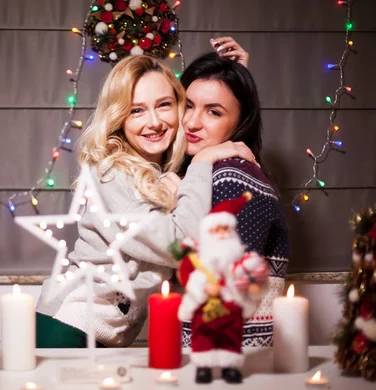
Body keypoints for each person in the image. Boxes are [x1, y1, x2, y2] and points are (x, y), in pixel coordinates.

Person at [35, 54, 258, 348]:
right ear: (119, 118)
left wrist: (237, 74)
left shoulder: (161, 173)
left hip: (95, 331)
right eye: (136, 110)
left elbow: (218, 114)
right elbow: (183, 243)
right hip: (69, 325)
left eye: (164, 105)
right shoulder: (112, 173)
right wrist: (204, 160)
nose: (154, 122)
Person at [178, 42, 289, 348]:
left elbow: (221, 280)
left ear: (241, 123)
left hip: (228, 353)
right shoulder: (211, 170)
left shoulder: (231, 177)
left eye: (213, 112)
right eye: (188, 105)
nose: (191, 122)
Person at [175, 193, 270, 384]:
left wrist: (252, 287)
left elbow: (253, 280)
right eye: (216, 230)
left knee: (231, 336)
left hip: (230, 308)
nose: (221, 234)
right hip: (205, 308)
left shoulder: (240, 262)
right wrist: (204, 290)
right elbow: (190, 281)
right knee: (203, 336)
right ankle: (204, 367)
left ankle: (230, 366)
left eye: (226, 230)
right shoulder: (201, 263)